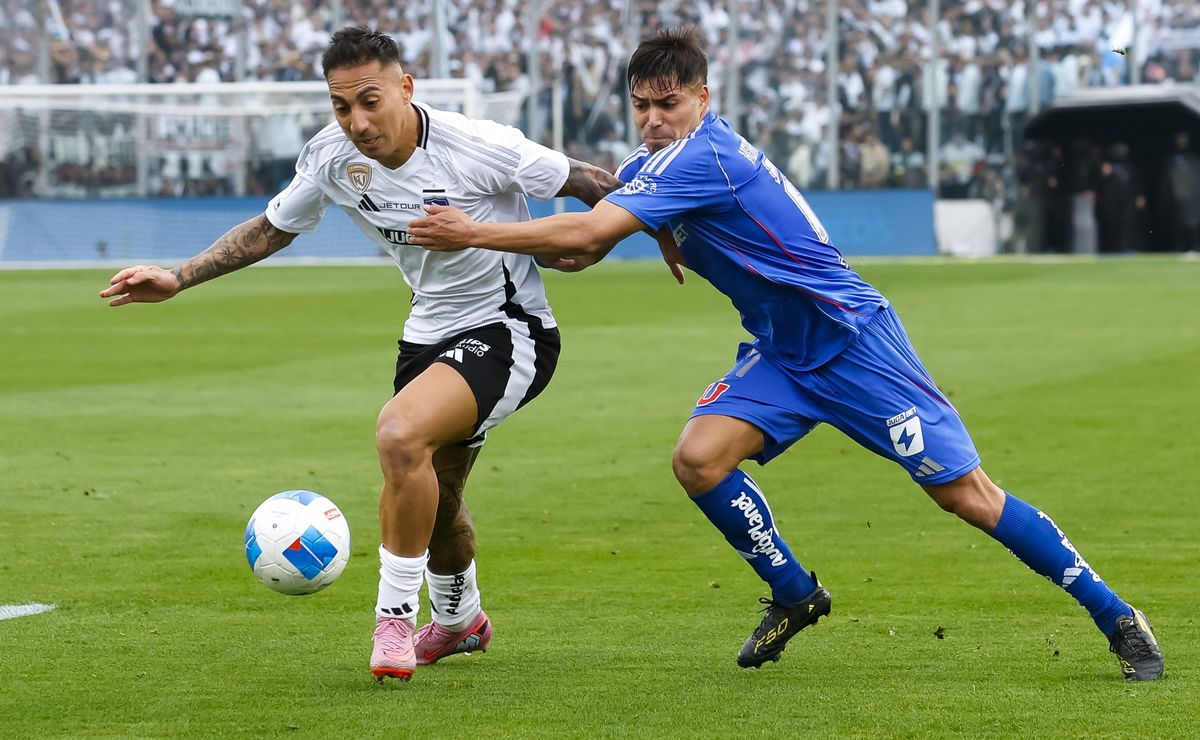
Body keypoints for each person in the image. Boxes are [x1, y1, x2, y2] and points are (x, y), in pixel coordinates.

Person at [409, 27, 1165, 681]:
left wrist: (472, 229)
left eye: (668, 104)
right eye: (641, 104)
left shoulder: (708, 157)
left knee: (967, 497)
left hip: (855, 344)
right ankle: (795, 592)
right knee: (699, 460)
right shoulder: (659, 168)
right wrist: (621, 233)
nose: (653, 119)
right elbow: (598, 223)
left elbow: (584, 235)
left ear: (704, 98)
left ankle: (1117, 617)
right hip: (783, 354)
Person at [99, 26, 623, 683]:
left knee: (400, 436)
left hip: (510, 328)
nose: (357, 120)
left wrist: (661, 237)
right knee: (435, 499)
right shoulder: (330, 157)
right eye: (341, 106)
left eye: (370, 101)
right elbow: (271, 228)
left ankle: (394, 621)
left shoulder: (480, 145)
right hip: (426, 335)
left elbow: (596, 184)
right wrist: (179, 277)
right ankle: (461, 623)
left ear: (405, 87)